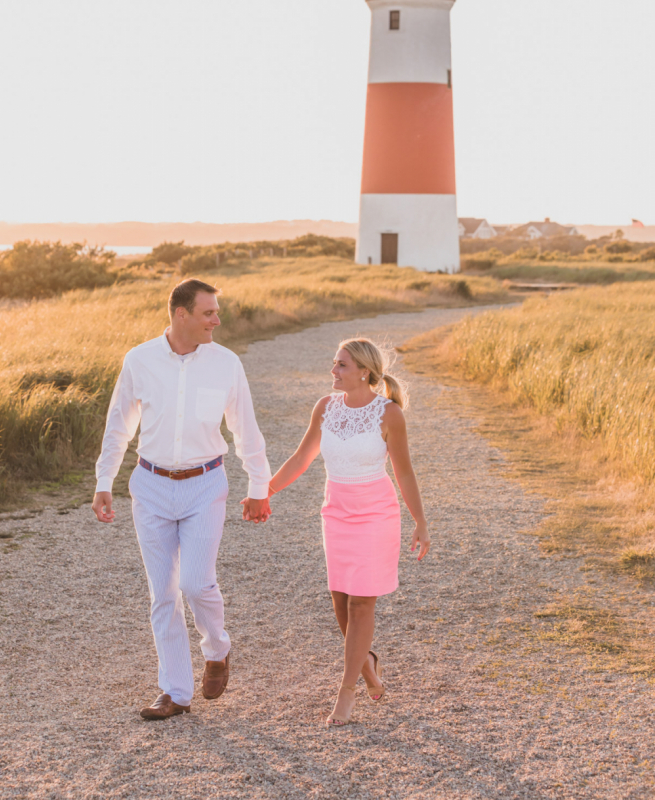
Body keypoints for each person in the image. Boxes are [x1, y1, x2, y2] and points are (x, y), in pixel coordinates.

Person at [91, 278, 271, 720]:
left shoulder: (226, 364)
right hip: (150, 485)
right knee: (163, 594)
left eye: (216, 311)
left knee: (195, 581)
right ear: (181, 314)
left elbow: (245, 429)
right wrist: (103, 480)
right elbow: (119, 425)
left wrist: (258, 487)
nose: (217, 319)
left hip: (205, 483)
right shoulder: (140, 360)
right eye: (208, 312)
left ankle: (217, 648)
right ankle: (174, 691)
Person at [268, 337, 430, 726]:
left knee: (361, 604)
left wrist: (420, 521)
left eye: (341, 365)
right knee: (340, 602)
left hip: (376, 514)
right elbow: (301, 457)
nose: (333, 371)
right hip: (335, 512)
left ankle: (346, 693)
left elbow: (403, 472)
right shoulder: (325, 407)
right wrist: (265, 492)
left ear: (364, 371)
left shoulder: (389, 414)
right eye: (334, 363)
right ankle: (367, 665)